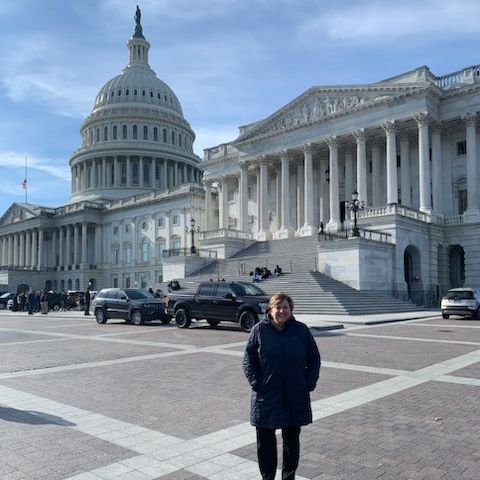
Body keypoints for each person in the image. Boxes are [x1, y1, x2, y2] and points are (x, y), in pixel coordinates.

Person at [243, 293, 320, 480]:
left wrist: (308, 383)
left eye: (285, 307)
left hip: (294, 394)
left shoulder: (301, 330)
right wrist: (256, 383)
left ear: (291, 310)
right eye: (278, 307)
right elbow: (248, 360)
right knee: (266, 444)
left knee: (291, 442)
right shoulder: (259, 330)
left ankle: (289, 477)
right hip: (266, 396)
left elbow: (314, 358)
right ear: (270, 309)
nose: (281, 311)